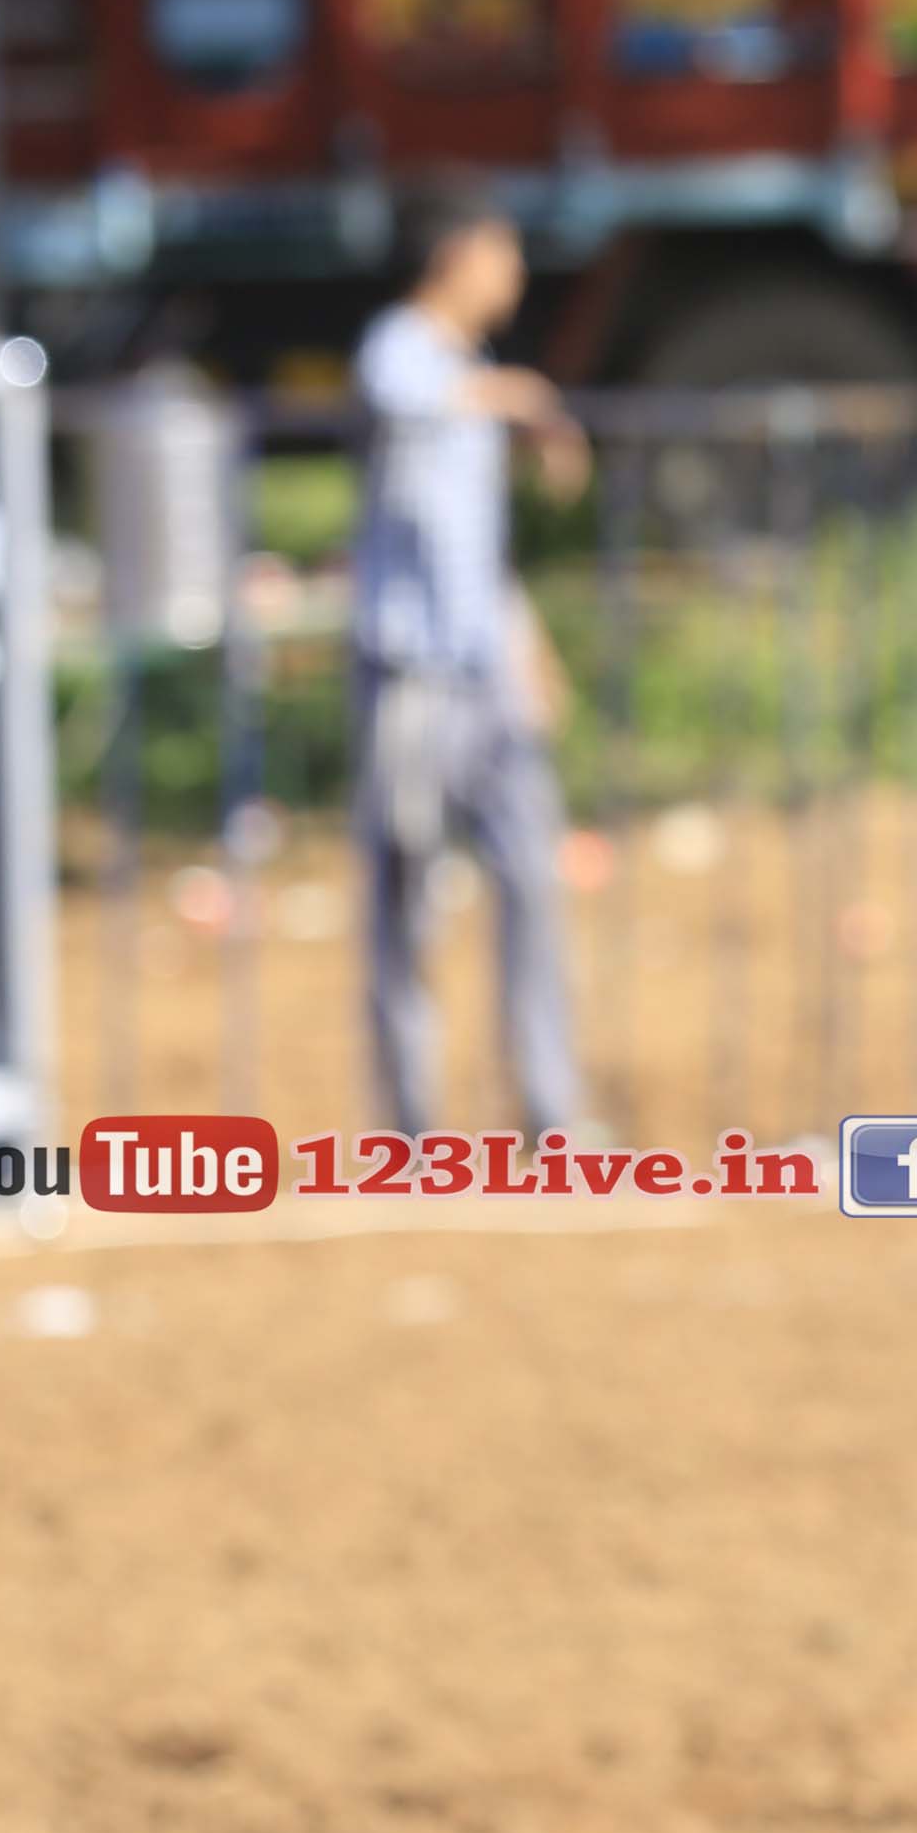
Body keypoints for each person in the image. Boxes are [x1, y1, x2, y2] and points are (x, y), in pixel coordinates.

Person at [348, 181, 588, 1140]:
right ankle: (409, 1130)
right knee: (405, 900)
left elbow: (475, 548)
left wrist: (526, 642)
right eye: (503, 249)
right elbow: (400, 395)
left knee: (533, 880)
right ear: (455, 255)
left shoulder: (470, 369)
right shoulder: (400, 348)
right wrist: (523, 399)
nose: (515, 271)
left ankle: (552, 1115)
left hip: (486, 674)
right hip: (411, 677)